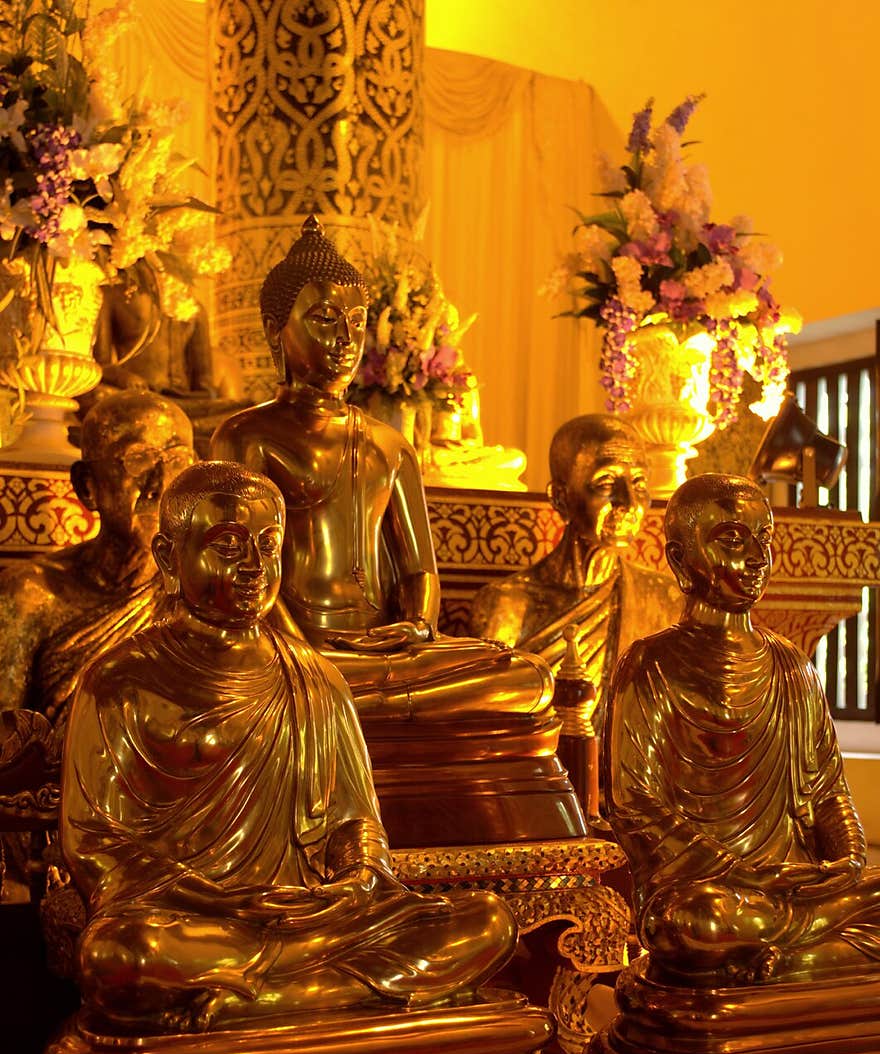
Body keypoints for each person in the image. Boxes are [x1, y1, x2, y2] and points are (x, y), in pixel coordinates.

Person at [61, 461, 517, 1032]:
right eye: (228, 546)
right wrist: (219, 902)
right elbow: (97, 847)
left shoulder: (313, 675)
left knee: (488, 921)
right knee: (122, 956)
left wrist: (357, 880)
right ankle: (326, 991)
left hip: (315, 918)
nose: (254, 567)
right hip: (197, 920)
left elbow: (356, 818)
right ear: (169, 558)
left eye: (268, 545)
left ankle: (266, 999)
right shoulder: (121, 679)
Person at [210, 214, 552, 723]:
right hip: (288, 646)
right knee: (290, 681)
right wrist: (302, 653)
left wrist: (416, 625)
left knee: (526, 678)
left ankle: (359, 695)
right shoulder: (246, 437)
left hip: (388, 654)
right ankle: (341, 693)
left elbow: (420, 570)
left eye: (356, 321)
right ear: (274, 332)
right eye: (324, 319)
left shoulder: (389, 445)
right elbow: (236, 567)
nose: (346, 339)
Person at [605, 471, 880, 985]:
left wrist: (845, 860)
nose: (756, 557)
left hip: (798, 884)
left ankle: (783, 956)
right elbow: (631, 802)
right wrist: (738, 869)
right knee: (693, 924)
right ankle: (803, 953)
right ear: (680, 559)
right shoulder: (650, 664)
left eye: (764, 539)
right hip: (712, 890)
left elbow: (827, 790)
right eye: (732, 539)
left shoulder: (792, 666)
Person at [470, 414, 680, 743]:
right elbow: (488, 734)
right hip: (538, 782)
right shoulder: (507, 606)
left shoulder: (664, 600)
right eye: (606, 485)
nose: (627, 503)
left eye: (638, 483)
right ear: (560, 497)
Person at [0, 390, 194, 723]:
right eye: (139, 460)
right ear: (87, 486)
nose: (160, 485)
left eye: (178, 462)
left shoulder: (207, 592)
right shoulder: (31, 595)